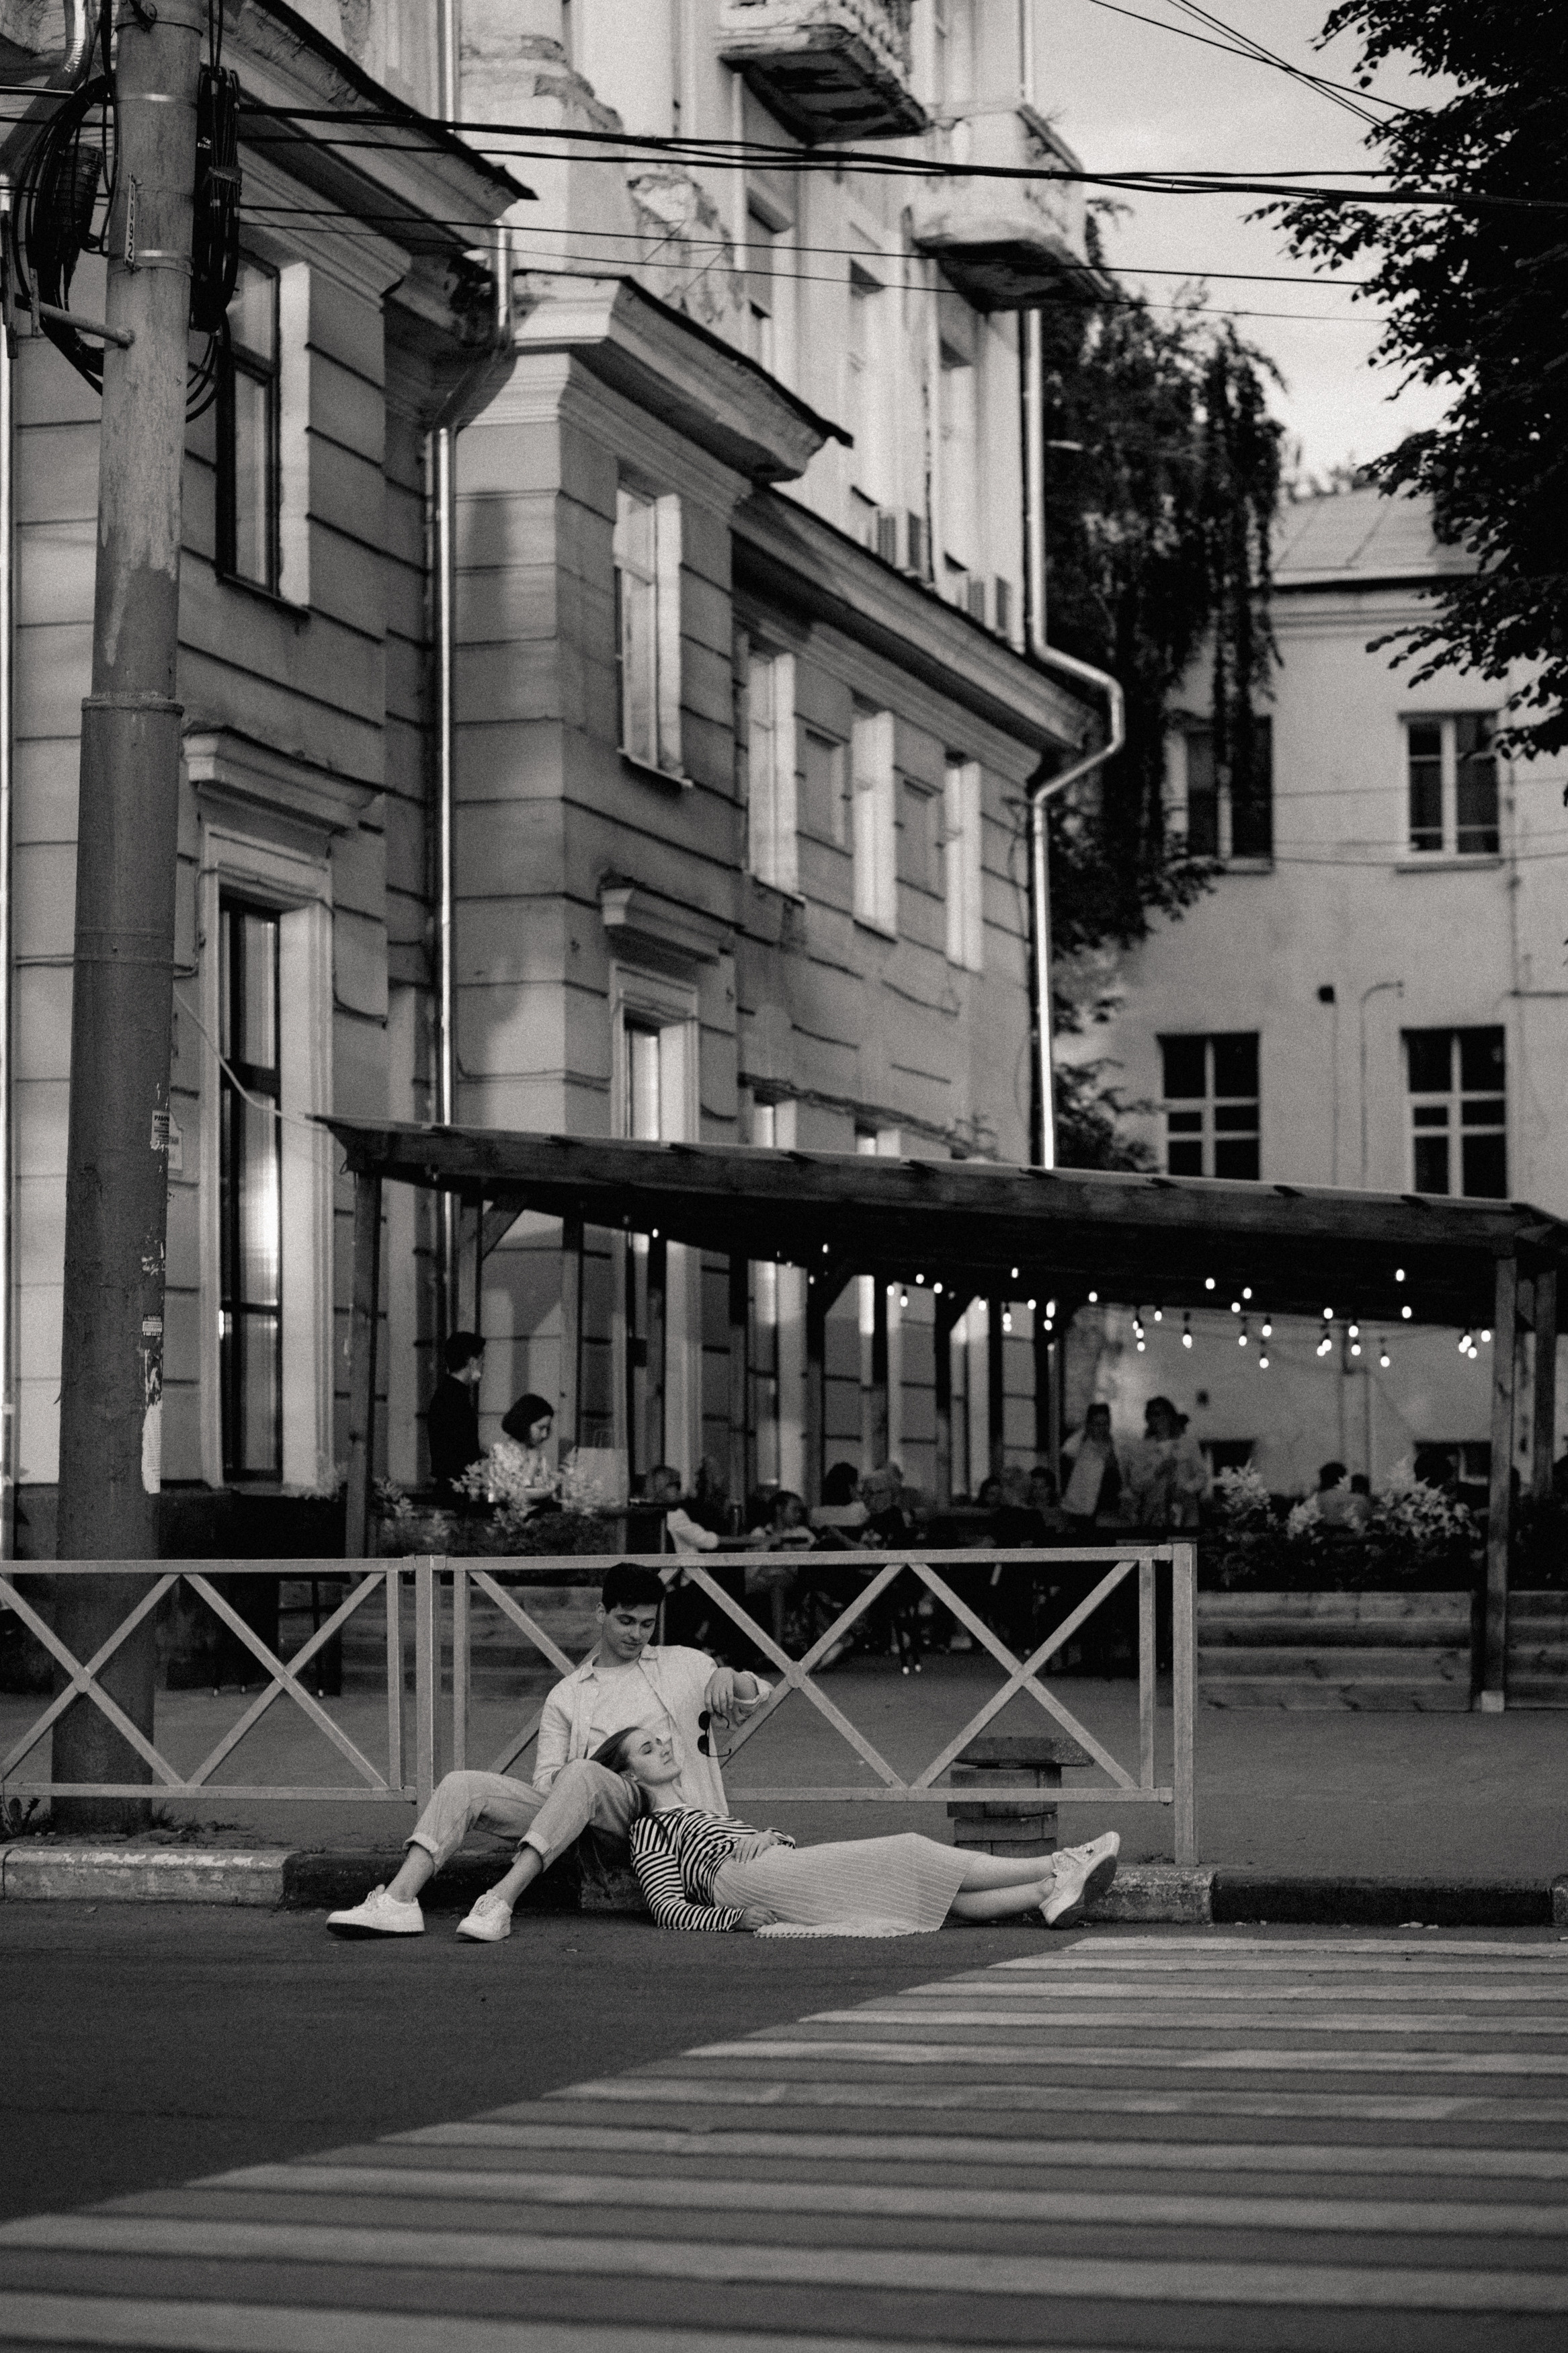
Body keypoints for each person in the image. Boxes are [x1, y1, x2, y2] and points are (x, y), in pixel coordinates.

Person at [325, 1562, 771, 1944]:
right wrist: (587, 1778)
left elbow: (757, 1696)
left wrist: (730, 1676)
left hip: (673, 1828)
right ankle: (399, 1900)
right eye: (625, 1620)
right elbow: (546, 1787)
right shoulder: (568, 1696)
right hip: (600, 1829)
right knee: (463, 1784)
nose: (637, 1634)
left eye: (646, 1623)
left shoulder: (685, 1665)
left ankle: (500, 1901)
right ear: (601, 1613)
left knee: (580, 1773)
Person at [606, 1720, 1120, 1935]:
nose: (665, 1748)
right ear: (628, 1774)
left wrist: (771, 1836)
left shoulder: (700, 1808)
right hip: (739, 1885)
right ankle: (1061, 1861)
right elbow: (666, 1908)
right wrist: (733, 1918)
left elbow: (758, 1846)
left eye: (660, 1740)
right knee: (907, 1850)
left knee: (932, 1895)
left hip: (772, 1866)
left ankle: (1048, 1891)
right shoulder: (649, 1829)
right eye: (647, 1750)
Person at [1125, 1396, 1210, 1529]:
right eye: (1154, 1414)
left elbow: (1202, 1476)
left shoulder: (1188, 1444)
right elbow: (1136, 1484)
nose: (1160, 1418)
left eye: (1164, 1413)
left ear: (1171, 1416)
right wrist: (1157, 1472)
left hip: (1185, 1509)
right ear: (1148, 1419)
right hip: (1154, 1511)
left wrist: (1187, 1489)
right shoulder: (1141, 1448)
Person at [426, 1331, 484, 1498]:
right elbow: (462, 1449)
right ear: (472, 1362)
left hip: (451, 1484)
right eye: (482, 1361)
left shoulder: (447, 1392)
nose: (483, 1366)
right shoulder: (455, 1397)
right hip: (456, 1489)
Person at [481, 1392, 559, 1511]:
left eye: (547, 1429)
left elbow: (549, 1491)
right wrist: (532, 1465)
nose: (545, 1435)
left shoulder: (539, 1454)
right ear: (525, 1424)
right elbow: (512, 1495)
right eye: (541, 1428)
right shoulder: (501, 1452)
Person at [1060, 1402, 1121, 1531]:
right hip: (1079, 1509)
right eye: (1097, 1424)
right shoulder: (1079, 1444)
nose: (1102, 1428)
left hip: (1106, 1510)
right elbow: (1067, 1451)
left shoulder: (1115, 1447)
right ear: (1089, 1425)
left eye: (1105, 1424)